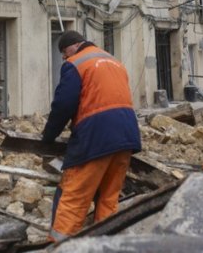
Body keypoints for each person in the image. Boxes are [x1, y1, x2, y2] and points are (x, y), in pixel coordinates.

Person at [42, 30, 141, 241]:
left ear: (74, 46)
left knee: (74, 196)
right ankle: (105, 244)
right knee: (108, 198)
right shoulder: (114, 61)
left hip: (95, 136)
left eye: (64, 52)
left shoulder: (75, 64)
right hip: (126, 136)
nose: (64, 57)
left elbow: (63, 105)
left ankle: (60, 246)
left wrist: (48, 136)